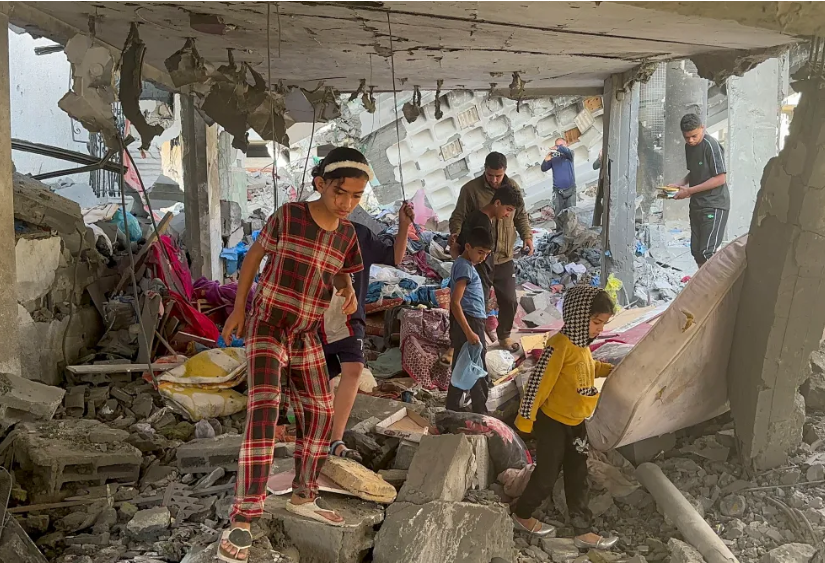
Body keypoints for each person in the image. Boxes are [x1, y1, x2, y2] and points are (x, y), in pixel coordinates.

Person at [218, 147, 369, 562]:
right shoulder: (289, 216)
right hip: (268, 326)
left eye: (357, 197)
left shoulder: (346, 235)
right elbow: (254, 256)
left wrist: (347, 289)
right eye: (342, 193)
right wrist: (238, 308)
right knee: (265, 409)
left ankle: (304, 494)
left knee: (320, 412)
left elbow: (339, 268)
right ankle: (244, 516)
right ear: (321, 184)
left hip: (306, 333)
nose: (348, 204)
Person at [511, 285, 619, 551]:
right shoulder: (559, 346)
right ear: (579, 316)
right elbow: (538, 384)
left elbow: (586, 368)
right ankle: (522, 514)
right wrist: (526, 420)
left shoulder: (582, 346)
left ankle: (583, 529)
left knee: (578, 473)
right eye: (596, 322)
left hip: (576, 423)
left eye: (603, 324)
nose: (599, 329)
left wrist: (609, 369)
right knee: (547, 473)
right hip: (553, 424)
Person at [322, 201, 415, 462]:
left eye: (354, 195)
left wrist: (404, 225)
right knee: (325, 379)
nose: (346, 203)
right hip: (316, 316)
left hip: (351, 315)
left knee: (353, 369)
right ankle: (321, 435)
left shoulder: (360, 233)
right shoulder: (311, 232)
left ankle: (336, 439)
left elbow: (394, 258)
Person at [449, 152, 533, 354]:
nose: (494, 180)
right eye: (490, 175)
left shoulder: (512, 189)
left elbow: (520, 216)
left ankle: (503, 335)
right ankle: (461, 343)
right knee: (477, 303)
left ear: (505, 171)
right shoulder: (470, 190)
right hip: (479, 260)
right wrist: (456, 237)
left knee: (510, 300)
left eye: (498, 176)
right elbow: (458, 217)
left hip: (504, 256)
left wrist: (527, 236)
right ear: (484, 170)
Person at [667, 113, 729, 267]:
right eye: (686, 137)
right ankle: (702, 287)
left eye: (694, 136)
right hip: (697, 205)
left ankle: (717, 289)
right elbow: (694, 172)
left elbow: (720, 178)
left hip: (714, 204)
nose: (691, 140)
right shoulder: (689, 147)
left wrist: (689, 191)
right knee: (696, 251)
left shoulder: (711, 145)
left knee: (708, 252)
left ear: (703, 128)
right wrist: (679, 183)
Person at [446, 227, 494, 414]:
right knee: (476, 365)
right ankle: (480, 409)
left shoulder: (463, 264)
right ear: (468, 246)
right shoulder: (465, 267)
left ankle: (452, 407)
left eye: (487, 254)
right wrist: (469, 331)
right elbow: (455, 302)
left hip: (472, 319)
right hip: (469, 320)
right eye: (480, 252)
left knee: (463, 363)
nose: (483, 257)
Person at [449, 183, 523, 301]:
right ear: (497, 203)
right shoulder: (482, 224)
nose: (508, 215)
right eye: (508, 209)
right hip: (476, 279)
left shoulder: (477, 217)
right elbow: (475, 258)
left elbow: (459, 248)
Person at [542, 138, 576, 219]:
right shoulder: (554, 157)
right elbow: (543, 168)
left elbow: (566, 151)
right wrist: (546, 160)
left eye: (561, 145)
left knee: (571, 215)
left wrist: (558, 147)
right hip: (558, 192)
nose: (559, 147)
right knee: (559, 216)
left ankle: (571, 231)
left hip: (570, 190)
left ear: (566, 144)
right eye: (557, 145)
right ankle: (560, 231)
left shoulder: (570, 154)